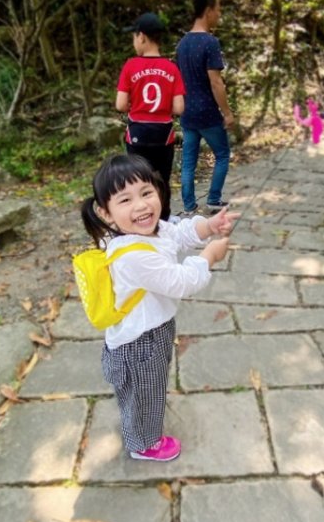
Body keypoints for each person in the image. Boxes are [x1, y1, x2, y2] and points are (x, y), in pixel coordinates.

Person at [81, 153, 237, 462]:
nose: (141, 205)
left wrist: (208, 225)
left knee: (142, 390)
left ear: (159, 191)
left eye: (146, 192)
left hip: (152, 330)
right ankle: (143, 444)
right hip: (140, 343)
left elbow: (176, 235)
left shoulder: (148, 231)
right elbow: (179, 281)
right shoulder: (132, 255)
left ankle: (135, 421)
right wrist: (208, 257)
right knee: (145, 392)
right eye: (125, 200)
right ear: (106, 213)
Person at [116, 12, 184, 220]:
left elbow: (120, 104)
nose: (134, 42)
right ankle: (163, 218)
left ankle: (140, 219)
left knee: (137, 181)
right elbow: (179, 108)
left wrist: (133, 104)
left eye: (134, 37)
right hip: (163, 137)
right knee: (161, 179)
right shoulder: (171, 68)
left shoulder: (130, 66)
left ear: (142, 37)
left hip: (137, 136)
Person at [175, 0, 235, 215]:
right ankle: (213, 199)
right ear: (208, 11)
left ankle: (189, 205)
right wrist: (227, 113)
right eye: (218, 9)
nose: (219, 14)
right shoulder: (210, 43)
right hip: (208, 113)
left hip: (188, 112)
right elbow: (216, 82)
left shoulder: (182, 44)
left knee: (189, 160)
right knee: (222, 154)